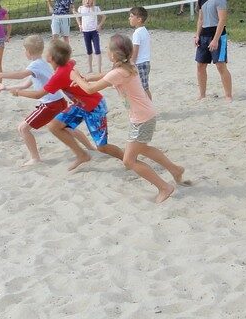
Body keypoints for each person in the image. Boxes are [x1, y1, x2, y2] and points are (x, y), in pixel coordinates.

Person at [72, 34, 189, 203]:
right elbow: (107, 75)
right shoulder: (127, 66)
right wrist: (89, 77)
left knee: (129, 161)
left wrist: (76, 77)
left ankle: (164, 187)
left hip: (142, 119)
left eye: (107, 49)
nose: (106, 51)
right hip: (144, 116)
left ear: (114, 55)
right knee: (143, 149)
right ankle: (175, 169)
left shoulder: (119, 72)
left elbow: (90, 90)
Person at [24, 37, 124, 171]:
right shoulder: (67, 64)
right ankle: (82, 155)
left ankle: (127, 159)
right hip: (80, 105)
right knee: (54, 126)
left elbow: (38, 95)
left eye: (47, 52)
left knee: (102, 147)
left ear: (51, 58)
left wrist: (18, 92)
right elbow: (72, 61)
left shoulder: (59, 75)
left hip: (94, 107)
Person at [0, 34, 72, 166]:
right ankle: (89, 147)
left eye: (25, 50)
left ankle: (35, 158)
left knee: (23, 128)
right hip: (59, 100)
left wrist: (0, 75)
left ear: (28, 51)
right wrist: (6, 87)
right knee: (68, 128)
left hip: (50, 104)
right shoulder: (42, 63)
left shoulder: (35, 65)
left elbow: (21, 76)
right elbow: (25, 84)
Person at [194, 0, 233, 101]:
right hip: (204, 36)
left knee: (220, 65)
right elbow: (200, 19)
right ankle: (202, 94)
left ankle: (228, 95)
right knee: (200, 65)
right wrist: (197, 35)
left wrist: (215, 40)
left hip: (218, 36)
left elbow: (222, 20)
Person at [76, 0, 106, 74]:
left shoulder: (96, 8)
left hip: (94, 31)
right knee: (89, 51)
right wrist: (80, 25)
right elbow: (77, 16)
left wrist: (99, 25)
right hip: (86, 32)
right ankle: (90, 69)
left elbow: (104, 16)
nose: (87, 0)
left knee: (97, 50)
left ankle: (99, 70)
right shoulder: (81, 8)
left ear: (92, 0)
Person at [129, 6, 152, 97]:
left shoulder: (137, 33)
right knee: (144, 87)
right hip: (145, 62)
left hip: (140, 63)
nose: (129, 18)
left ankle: (149, 105)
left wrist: (131, 63)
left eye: (131, 16)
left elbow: (135, 51)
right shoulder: (144, 30)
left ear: (139, 19)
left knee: (143, 88)